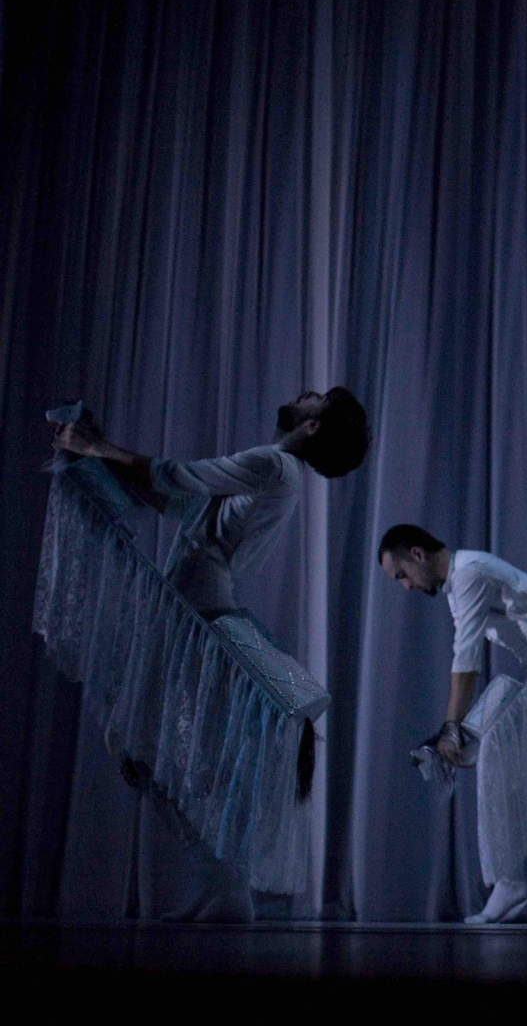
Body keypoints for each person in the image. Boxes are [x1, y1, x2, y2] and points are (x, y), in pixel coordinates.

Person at [50, 389, 371, 920]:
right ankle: (225, 887)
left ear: (312, 426)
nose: (303, 395)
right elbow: (177, 500)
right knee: (147, 744)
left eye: (314, 399)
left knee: (139, 742)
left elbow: (177, 477)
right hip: (196, 600)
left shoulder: (274, 464)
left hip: (196, 605)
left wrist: (98, 446)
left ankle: (226, 887)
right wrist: (96, 454)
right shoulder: (277, 472)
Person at [379, 526, 527, 924]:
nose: (406, 587)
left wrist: (453, 727)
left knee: (505, 763)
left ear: (417, 554)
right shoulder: (462, 579)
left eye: (400, 575)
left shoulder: (468, 572)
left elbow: (465, 660)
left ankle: (510, 879)